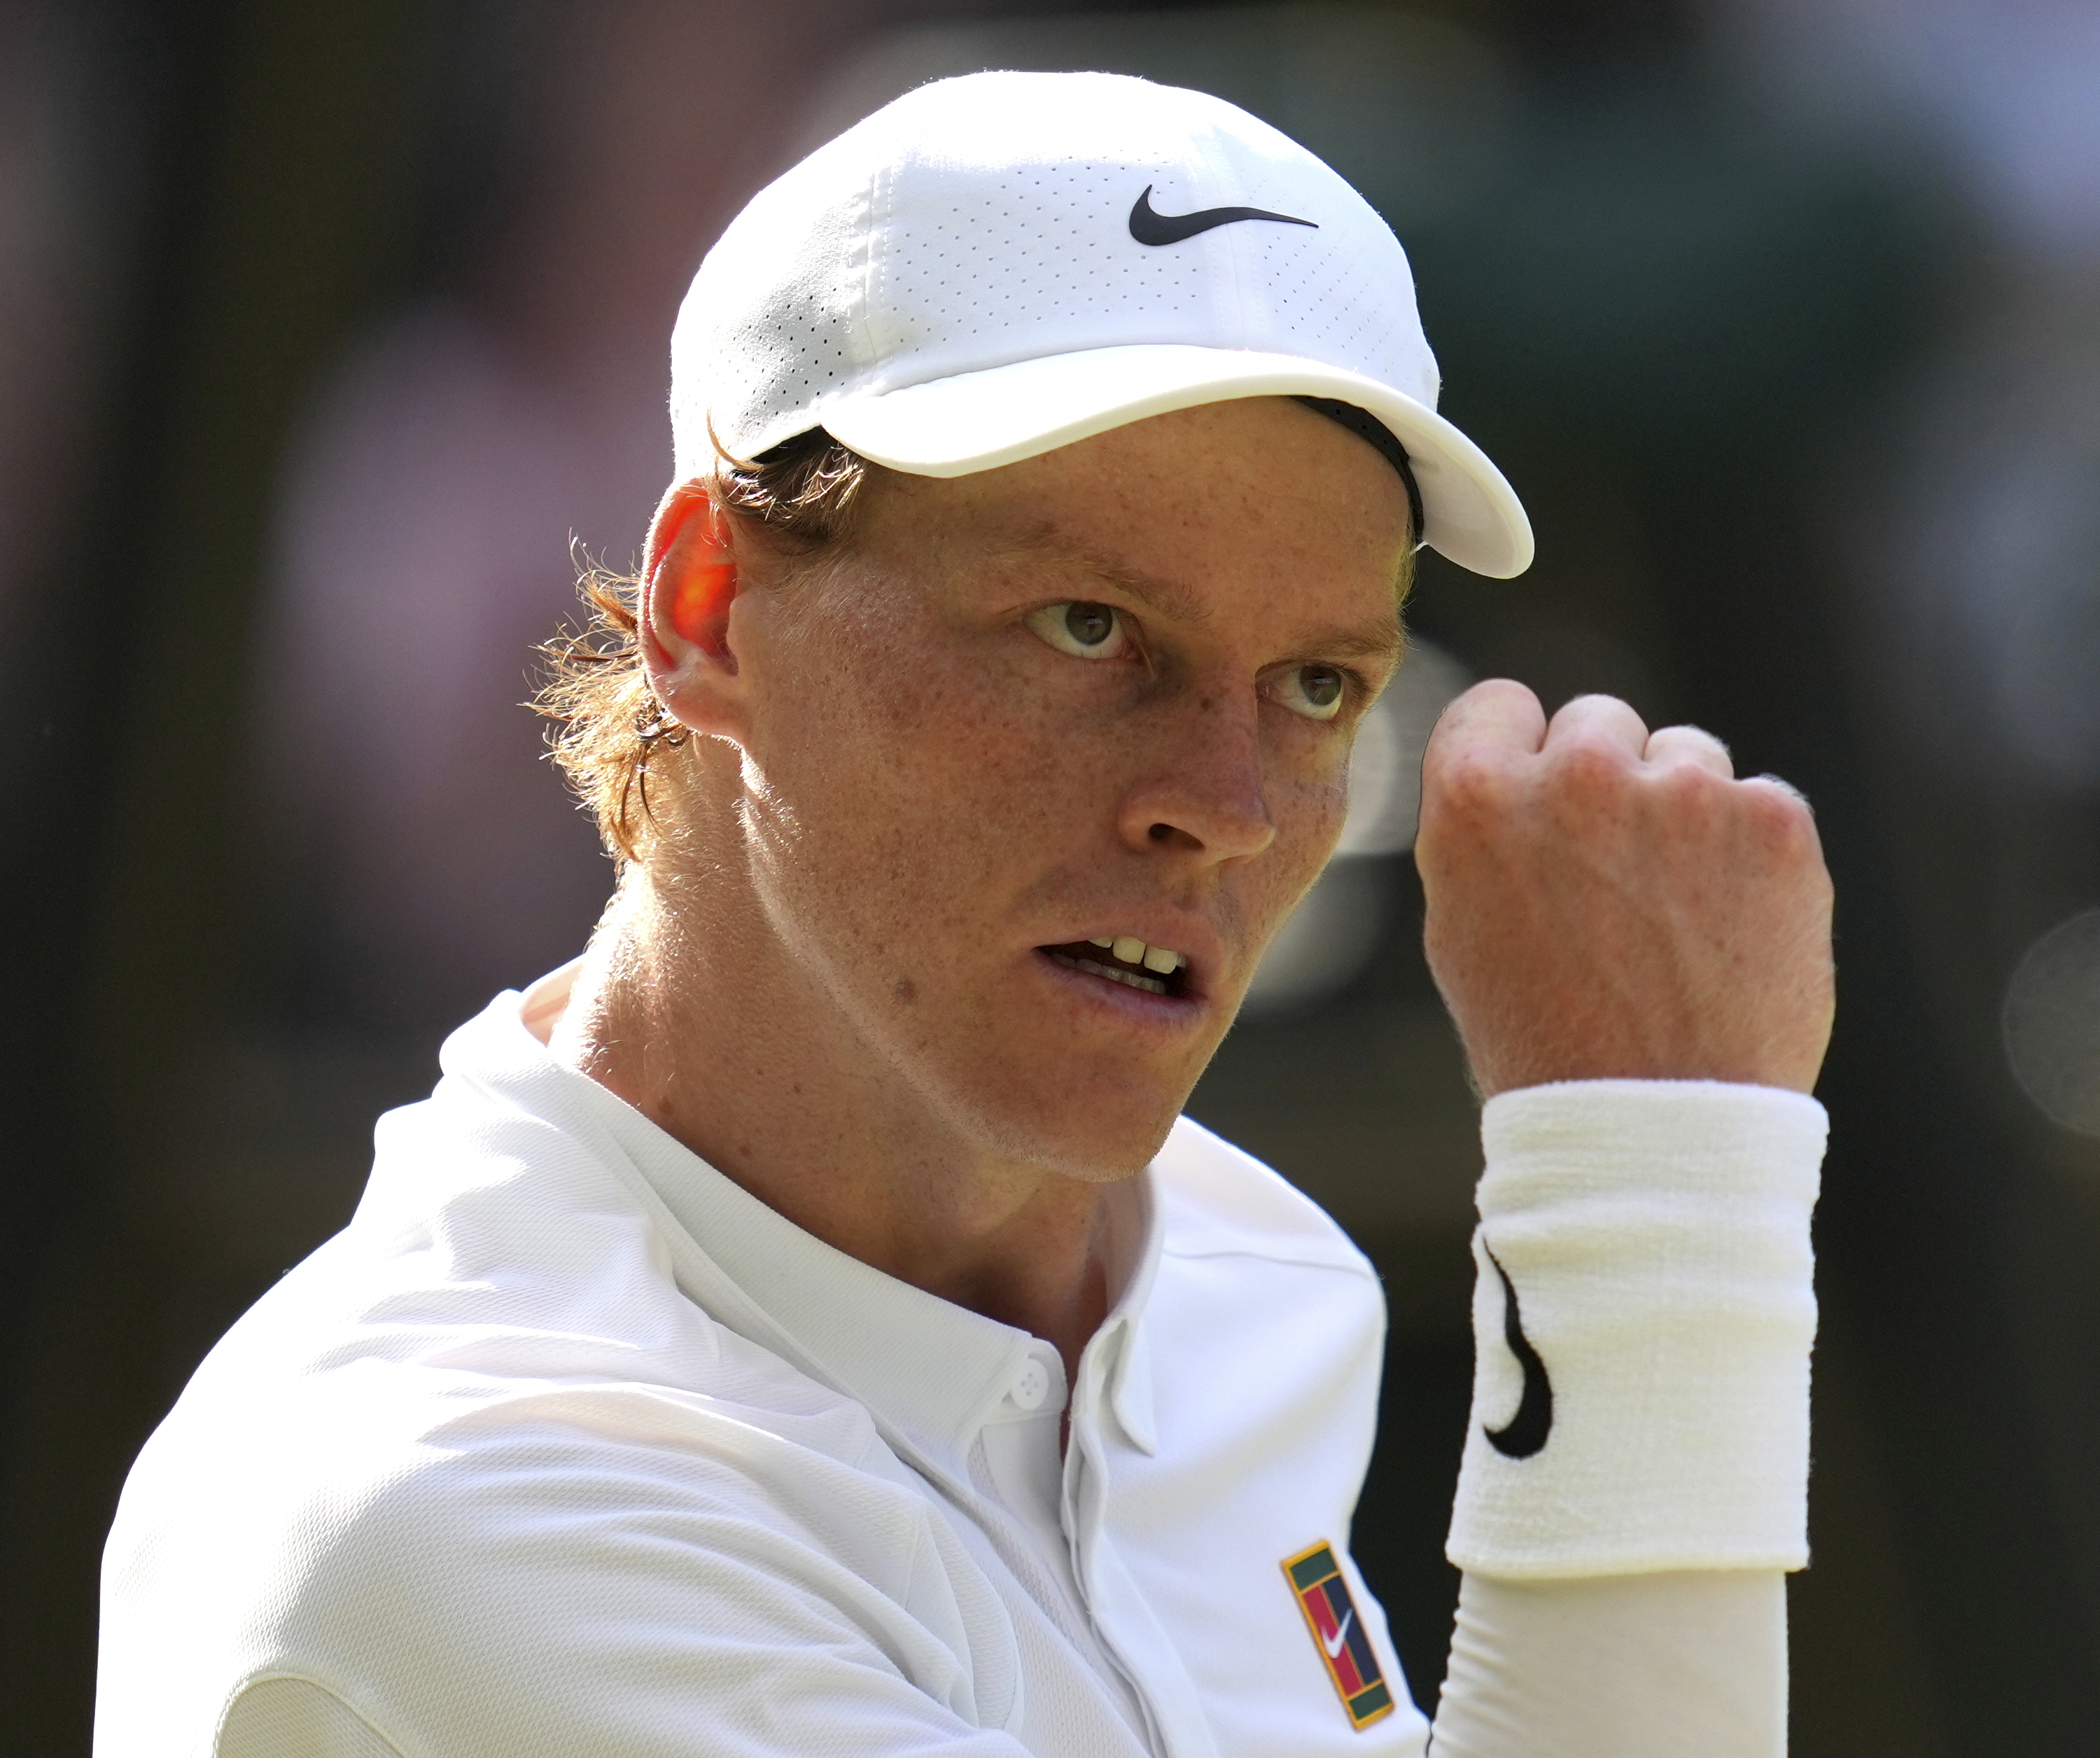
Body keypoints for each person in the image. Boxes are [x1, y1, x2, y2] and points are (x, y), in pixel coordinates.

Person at [97, 71, 1835, 1758]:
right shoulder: (461, 1507)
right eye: (1086, 628)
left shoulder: (1250, 1283)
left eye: (1317, 680)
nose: (1223, 804)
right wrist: (1654, 1190)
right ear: (708, 607)